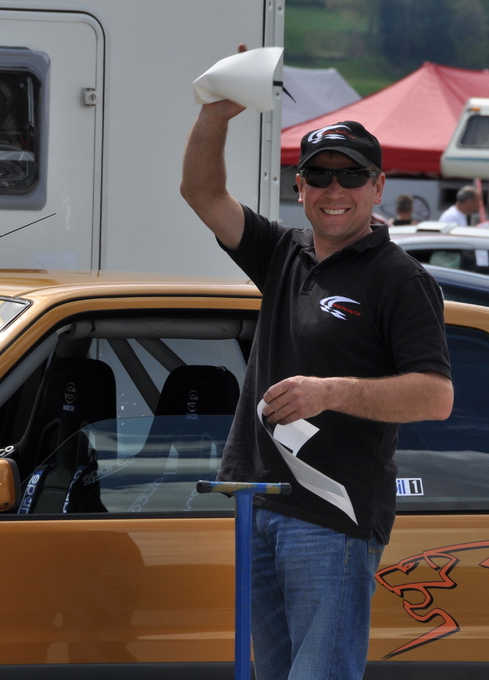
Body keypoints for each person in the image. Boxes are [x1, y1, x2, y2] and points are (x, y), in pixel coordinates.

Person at [181, 55, 454, 680]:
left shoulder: (399, 279)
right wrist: (217, 112)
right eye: (319, 176)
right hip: (261, 502)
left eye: (351, 176)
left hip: (333, 517)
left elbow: (435, 397)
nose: (335, 191)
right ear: (298, 186)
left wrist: (329, 392)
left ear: (378, 187)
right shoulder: (283, 252)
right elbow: (202, 193)